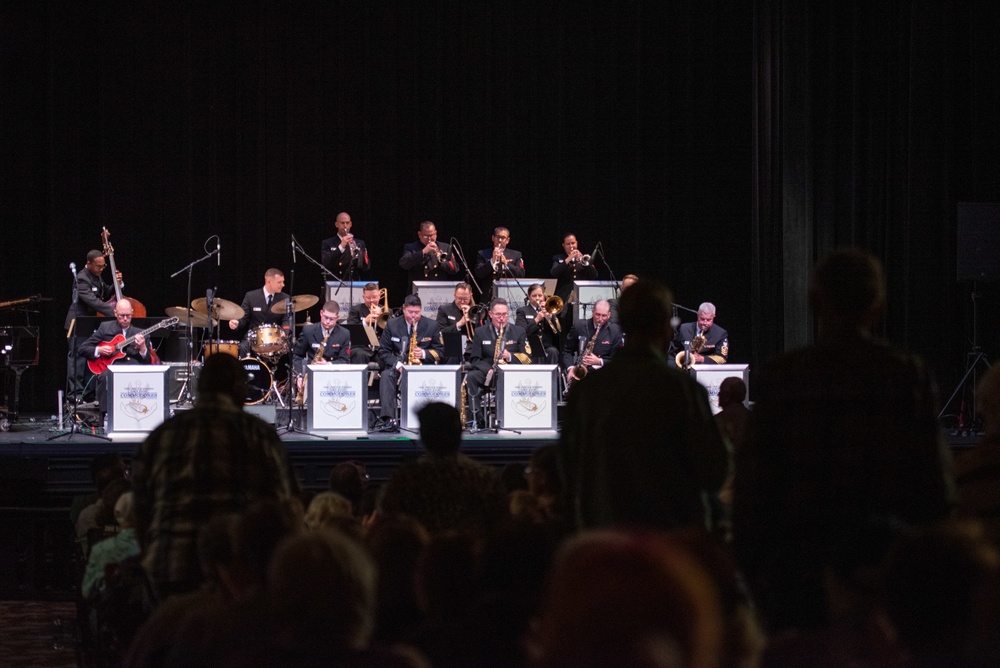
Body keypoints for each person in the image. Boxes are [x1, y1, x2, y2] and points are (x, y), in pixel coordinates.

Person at [732, 247, 954, 633]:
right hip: (884, 575)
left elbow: (753, 491)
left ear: (814, 303)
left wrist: (757, 580)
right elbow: (933, 490)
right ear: (878, 308)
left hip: (797, 577)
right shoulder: (906, 375)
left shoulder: (784, 376)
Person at [558, 279, 730, 532]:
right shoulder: (686, 391)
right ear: (666, 328)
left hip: (607, 533)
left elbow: (568, 469)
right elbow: (715, 471)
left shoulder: (587, 392)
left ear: (623, 324)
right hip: (673, 538)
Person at [131, 353, 299, 600]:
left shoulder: (162, 435)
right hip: (241, 573)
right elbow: (285, 504)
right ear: (238, 388)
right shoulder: (258, 434)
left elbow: (140, 508)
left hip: (170, 568)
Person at [378, 402, 508, 535]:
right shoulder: (484, 479)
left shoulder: (405, 480)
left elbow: (387, 528)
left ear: (422, 435)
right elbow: (500, 530)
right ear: (460, 433)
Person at [375, 294, 445, 426]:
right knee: (386, 375)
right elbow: (383, 352)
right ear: (403, 309)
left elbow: (440, 351)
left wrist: (424, 353)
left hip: (423, 367)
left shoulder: (432, 325)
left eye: (417, 312)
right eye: (410, 312)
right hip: (399, 366)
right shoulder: (391, 324)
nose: (413, 316)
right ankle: (387, 419)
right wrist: (398, 365)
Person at [465, 298, 531, 426]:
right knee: (472, 377)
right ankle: (477, 418)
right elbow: (475, 359)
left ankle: (505, 418)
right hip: (488, 372)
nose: (502, 318)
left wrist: (510, 356)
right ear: (490, 314)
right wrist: (488, 369)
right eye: (498, 315)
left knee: (504, 380)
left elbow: (527, 357)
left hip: (510, 373)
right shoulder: (480, 332)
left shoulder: (519, 331)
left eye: (505, 314)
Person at [65, 250, 120, 403]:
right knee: (78, 359)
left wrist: (117, 283)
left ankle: (88, 394)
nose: (101, 269)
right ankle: (75, 395)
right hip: (78, 323)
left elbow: (105, 293)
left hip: (91, 323)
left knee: (92, 359)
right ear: (89, 263)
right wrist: (114, 311)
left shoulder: (97, 275)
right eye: (98, 266)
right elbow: (92, 301)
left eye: (103, 267)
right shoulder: (81, 278)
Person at [83, 298, 154, 416]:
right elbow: (83, 348)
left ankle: (139, 412)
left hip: (132, 367)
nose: (125, 319)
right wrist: (99, 350)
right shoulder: (105, 327)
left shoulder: (141, 333)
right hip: (111, 366)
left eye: (128, 315)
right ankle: (104, 416)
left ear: (132, 313)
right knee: (104, 376)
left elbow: (147, 362)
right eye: (122, 316)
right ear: (115, 313)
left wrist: (142, 348)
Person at [291, 300, 351, 399]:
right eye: (325, 317)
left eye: (332, 319)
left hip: (334, 378)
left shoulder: (344, 334)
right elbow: (297, 355)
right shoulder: (308, 331)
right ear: (321, 313)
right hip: (311, 376)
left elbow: (345, 360)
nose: (327, 321)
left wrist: (328, 365)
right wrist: (299, 375)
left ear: (337, 318)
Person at [228, 268, 291, 357]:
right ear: (269, 281)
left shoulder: (285, 298)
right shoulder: (251, 296)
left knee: (289, 349)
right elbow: (244, 317)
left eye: (283, 282)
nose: (283, 285)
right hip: (254, 338)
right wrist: (237, 323)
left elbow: (287, 319)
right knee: (242, 347)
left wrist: (285, 331)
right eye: (279, 282)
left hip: (275, 338)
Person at [561, 299, 622, 385]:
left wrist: (599, 361)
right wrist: (571, 369)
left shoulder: (615, 331)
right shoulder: (579, 326)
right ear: (593, 312)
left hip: (604, 374)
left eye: (604, 316)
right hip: (581, 372)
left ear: (609, 315)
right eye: (597, 315)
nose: (600, 319)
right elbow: (567, 351)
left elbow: (617, 360)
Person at [399, 220, 458, 287]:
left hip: (440, 288)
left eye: (431, 235)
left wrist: (439, 255)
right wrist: (423, 252)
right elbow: (404, 264)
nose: (429, 239)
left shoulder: (445, 247)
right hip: (418, 289)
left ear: (436, 233)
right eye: (426, 236)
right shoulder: (411, 247)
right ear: (419, 234)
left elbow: (454, 269)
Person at [435, 282, 483, 364]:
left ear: (471, 295)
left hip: (471, 349)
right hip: (451, 349)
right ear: (454, 295)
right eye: (459, 298)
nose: (462, 302)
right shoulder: (444, 309)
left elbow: (481, 333)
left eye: (466, 299)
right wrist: (459, 324)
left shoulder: (476, 311)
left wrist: (472, 317)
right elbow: (440, 332)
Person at [473, 227, 525, 301]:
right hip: (489, 296)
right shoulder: (483, 253)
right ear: (493, 238)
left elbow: (521, 274)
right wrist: (492, 261)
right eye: (497, 237)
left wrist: (506, 264)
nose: (500, 240)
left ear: (508, 240)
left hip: (509, 295)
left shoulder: (516, 254)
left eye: (503, 238)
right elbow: (479, 273)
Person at [670, 302, 729, 366]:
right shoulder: (683, 328)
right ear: (697, 315)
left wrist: (703, 359)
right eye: (702, 319)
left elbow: (722, 358)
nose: (705, 323)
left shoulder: (720, 333)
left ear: (714, 317)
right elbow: (672, 353)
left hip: (706, 370)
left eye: (709, 320)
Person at [515, 283, 560, 365]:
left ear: (544, 296)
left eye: (540, 295)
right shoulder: (522, 311)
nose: (537, 298)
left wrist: (550, 317)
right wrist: (536, 320)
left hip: (546, 345)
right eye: (534, 296)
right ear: (529, 297)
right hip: (529, 346)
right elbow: (520, 332)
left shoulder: (548, 309)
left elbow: (557, 332)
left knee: (553, 351)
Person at [550, 232, 597, 305]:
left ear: (577, 243)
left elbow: (594, 275)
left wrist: (585, 261)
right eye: (568, 244)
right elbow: (554, 273)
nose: (571, 246)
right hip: (564, 297)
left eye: (573, 243)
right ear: (563, 245)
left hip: (582, 295)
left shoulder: (584, 258)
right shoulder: (558, 258)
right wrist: (569, 258)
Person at [320, 211, 370, 279]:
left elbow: (365, 267)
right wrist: (341, 246)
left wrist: (358, 254)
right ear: (336, 224)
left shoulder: (359, 243)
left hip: (353, 281)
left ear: (351, 224)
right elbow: (325, 262)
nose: (345, 225)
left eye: (347, 223)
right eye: (342, 223)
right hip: (336, 281)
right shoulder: (328, 242)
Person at [345, 282, 383, 365]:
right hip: (361, 348)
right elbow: (351, 331)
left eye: (374, 297)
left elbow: (391, 330)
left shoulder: (386, 311)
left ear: (379, 296)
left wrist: (381, 316)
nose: (372, 300)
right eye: (368, 298)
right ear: (363, 297)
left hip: (379, 348)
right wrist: (365, 321)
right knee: (359, 354)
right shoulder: (355, 310)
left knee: (387, 356)